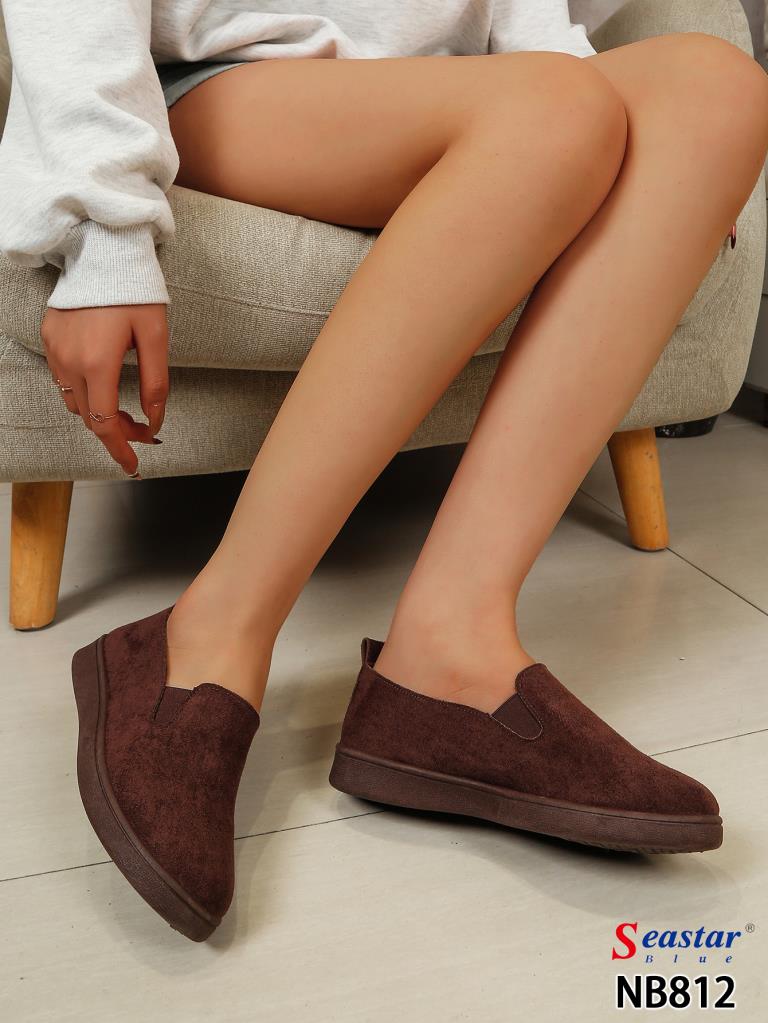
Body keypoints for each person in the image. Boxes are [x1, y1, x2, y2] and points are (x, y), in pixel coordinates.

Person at [2, 0, 767, 942]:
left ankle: (449, 649)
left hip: (468, 90)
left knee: (713, 90)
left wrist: (636, 164)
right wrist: (104, 226)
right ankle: (206, 635)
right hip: (223, 83)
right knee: (553, 111)